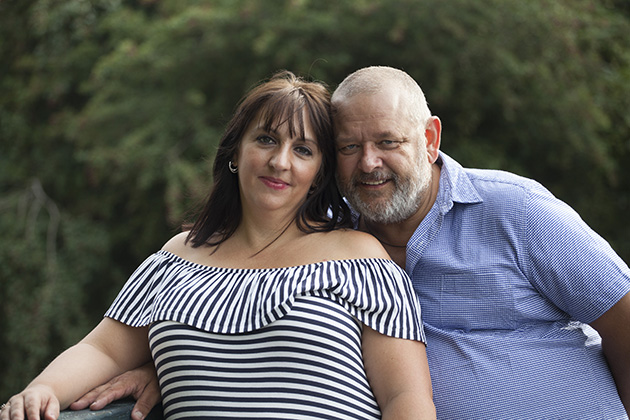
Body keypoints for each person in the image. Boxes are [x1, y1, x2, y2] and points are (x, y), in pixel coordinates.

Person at [46, 65, 630, 419]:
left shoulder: (515, 212)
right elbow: (242, 290)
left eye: (388, 142)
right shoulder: (335, 230)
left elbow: (625, 320)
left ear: (429, 139)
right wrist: (163, 361)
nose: (369, 163)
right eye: (349, 147)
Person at [0, 70, 436, 420]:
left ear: (320, 172)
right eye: (266, 139)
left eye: (302, 149)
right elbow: (102, 349)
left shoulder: (360, 259)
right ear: (235, 152)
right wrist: (43, 390)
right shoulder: (173, 260)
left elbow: (405, 401)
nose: (279, 161)